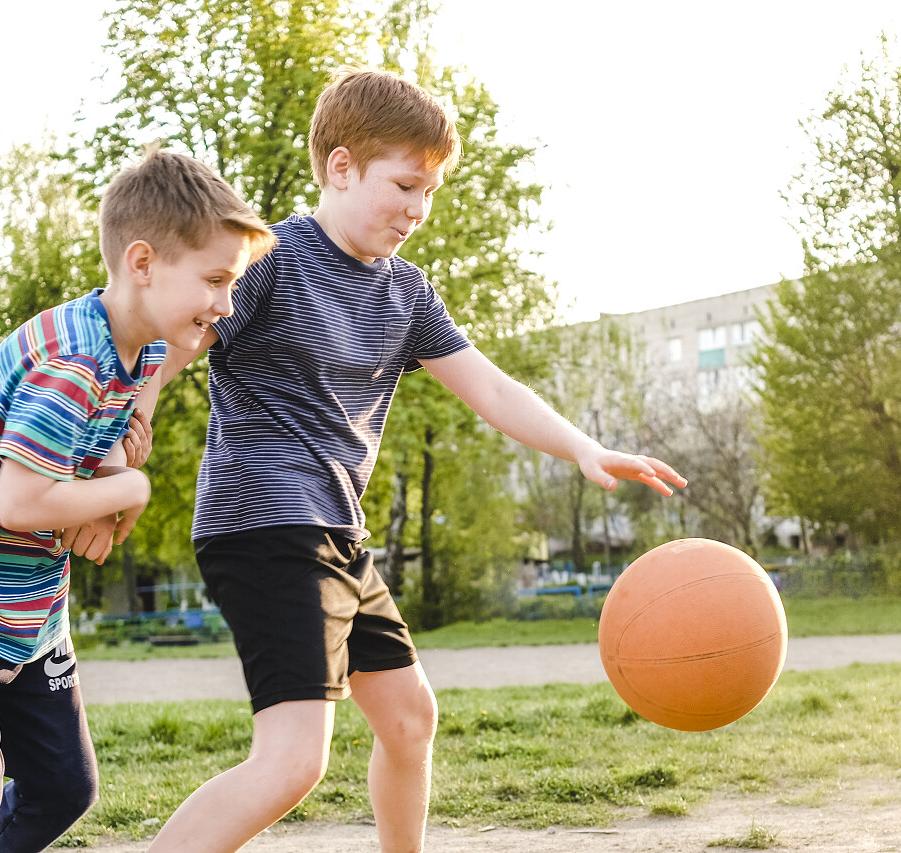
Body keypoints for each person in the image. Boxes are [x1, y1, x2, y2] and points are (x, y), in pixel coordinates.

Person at [138, 69, 686, 853]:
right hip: (266, 524)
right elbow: (176, 337)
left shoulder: (406, 293)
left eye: (429, 192)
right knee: (294, 760)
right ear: (340, 167)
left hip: (334, 532)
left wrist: (584, 448)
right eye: (403, 184)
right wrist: (136, 413)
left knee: (409, 717)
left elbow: (491, 388)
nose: (417, 210)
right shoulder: (270, 260)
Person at [0, 148, 275, 853]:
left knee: (63, 786)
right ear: (142, 263)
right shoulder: (73, 360)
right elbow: (21, 502)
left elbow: (133, 399)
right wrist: (129, 487)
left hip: (27, 609)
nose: (225, 304)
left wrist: (113, 461)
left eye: (231, 283)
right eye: (214, 279)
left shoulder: (140, 344)